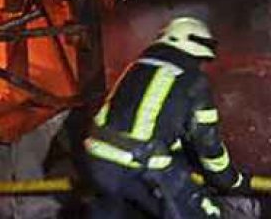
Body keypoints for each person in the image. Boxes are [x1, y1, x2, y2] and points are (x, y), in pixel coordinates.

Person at [83, 16, 249, 218]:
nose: (200, 66)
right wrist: (230, 180)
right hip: (140, 166)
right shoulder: (191, 79)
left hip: (96, 160)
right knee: (202, 212)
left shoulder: (136, 68)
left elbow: (151, 123)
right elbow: (207, 141)